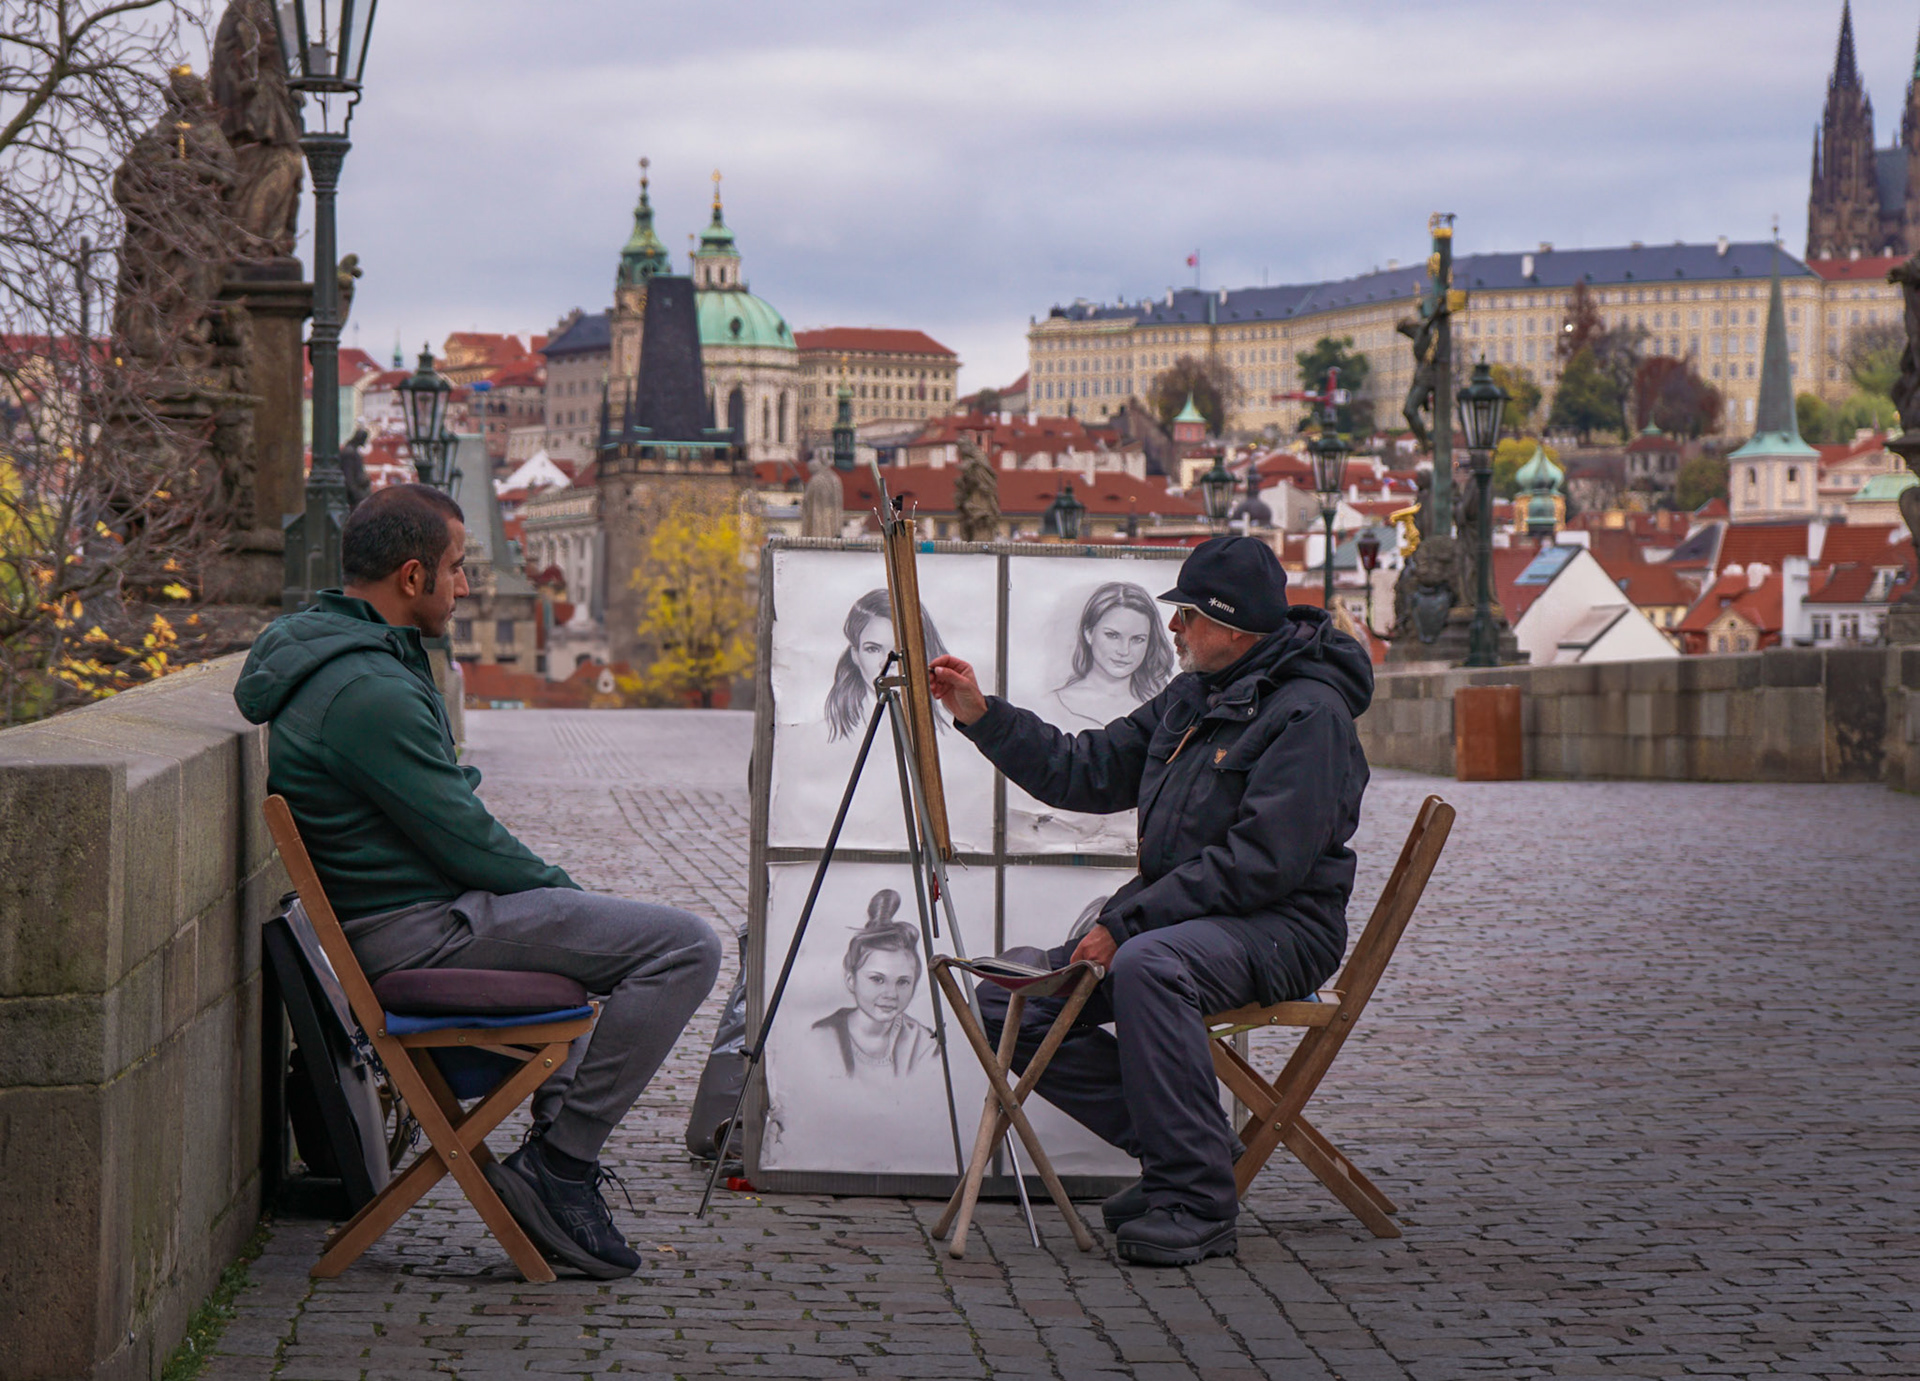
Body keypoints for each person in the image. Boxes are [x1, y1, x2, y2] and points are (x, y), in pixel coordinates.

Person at [233, 483, 721, 1280]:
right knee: (684, 948)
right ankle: (558, 1167)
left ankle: (557, 1171)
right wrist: (565, 893)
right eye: (459, 569)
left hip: (412, 913)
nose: (466, 588)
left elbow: (438, 809)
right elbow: (469, 842)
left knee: (601, 943)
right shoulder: (370, 690)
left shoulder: (348, 660)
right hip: (416, 931)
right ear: (414, 575)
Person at [929, 535, 1371, 1267]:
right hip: (1185, 917)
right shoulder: (1194, 694)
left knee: (1147, 965)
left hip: (1281, 925)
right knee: (1014, 999)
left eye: (1187, 614)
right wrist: (982, 715)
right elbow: (1086, 768)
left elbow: (1261, 865)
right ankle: (1188, 1149)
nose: (1174, 628)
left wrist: (1124, 922)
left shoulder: (1310, 715)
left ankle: (1197, 1199)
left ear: (1233, 628)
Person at [809, 889, 937, 1080]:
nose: (891, 994)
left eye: (903, 982)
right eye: (877, 979)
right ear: (851, 980)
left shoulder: (922, 1043)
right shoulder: (820, 1037)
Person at [1050, 581, 1175, 728]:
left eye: (1137, 639)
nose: (1124, 651)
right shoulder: (1052, 703)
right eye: (1112, 635)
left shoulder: (1165, 708)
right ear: (1088, 633)